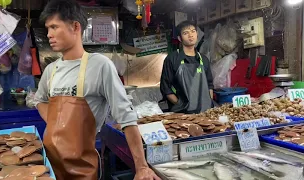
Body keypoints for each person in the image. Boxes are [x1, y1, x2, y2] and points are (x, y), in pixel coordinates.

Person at [34, 0, 160, 179]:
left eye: (54, 27)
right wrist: (56, 122)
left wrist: (141, 167)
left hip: (82, 167)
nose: (49, 34)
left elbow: (126, 116)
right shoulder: (50, 70)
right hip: (50, 164)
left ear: (75, 27)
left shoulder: (100, 65)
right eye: (47, 29)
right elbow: (39, 100)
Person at [160, 21, 214, 114]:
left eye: (193, 31)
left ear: (197, 34)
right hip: (182, 114)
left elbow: (209, 85)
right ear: (179, 38)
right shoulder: (172, 59)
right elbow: (166, 88)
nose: (190, 35)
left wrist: (208, 104)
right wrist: (180, 105)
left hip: (204, 113)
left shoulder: (203, 59)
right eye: (186, 33)